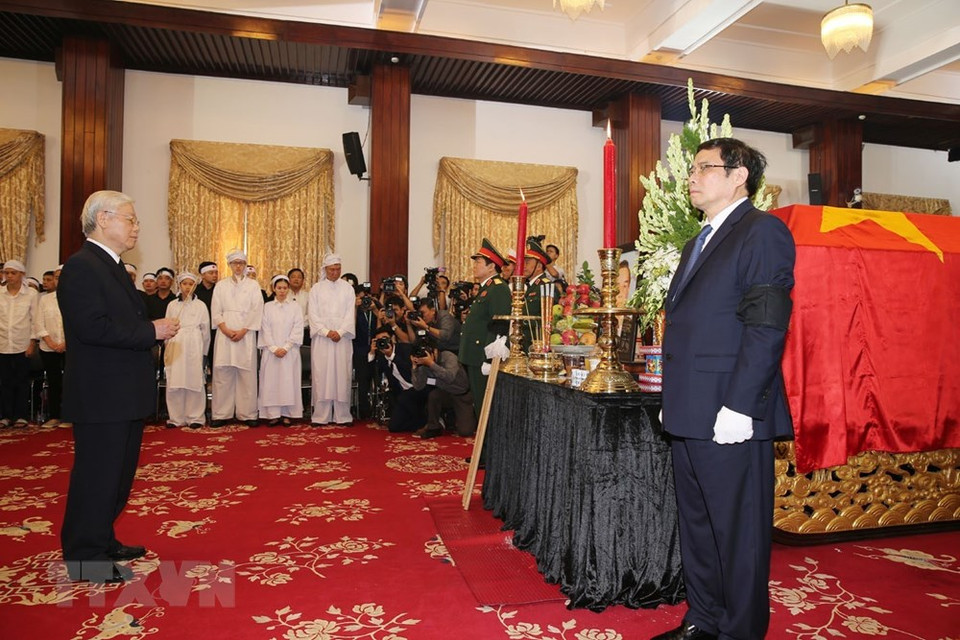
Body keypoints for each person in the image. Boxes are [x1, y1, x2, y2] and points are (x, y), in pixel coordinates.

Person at [654, 138, 795, 640]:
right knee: (698, 526)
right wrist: (674, 399)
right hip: (691, 409)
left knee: (739, 534)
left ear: (739, 177)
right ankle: (704, 619)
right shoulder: (700, 240)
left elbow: (766, 327)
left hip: (731, 413)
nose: (691, 177)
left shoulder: (762, 233)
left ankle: (740, 631)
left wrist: (740, 406)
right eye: (691, 169)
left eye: (704, 167)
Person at [58, 190, 180, 584]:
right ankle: (84, 556)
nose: (136, 226)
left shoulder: (110, 265)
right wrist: (151, 330)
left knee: (118, 473)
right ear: (103, 219)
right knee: (97, 474)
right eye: (130, 219)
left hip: (120, 392)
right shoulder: (82, 267)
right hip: (101, 393)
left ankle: (102, 537)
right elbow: (91, 327)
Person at [457, 238, 511, 418]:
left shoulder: (498, 288)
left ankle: (487, 444)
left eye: (479, 261)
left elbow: (500, 325)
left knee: (485, 404)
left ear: (491, 267)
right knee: (480, 403)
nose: (475, 265)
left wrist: (490, 358)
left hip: (483, 355)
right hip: (475, 355)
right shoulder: (486, 288)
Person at [210, 249, 264, 427]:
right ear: (230, 265)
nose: (238, 266)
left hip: (245, 334)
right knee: (223, 374)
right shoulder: (221, 285)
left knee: (246, 374)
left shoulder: (253, 285)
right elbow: (216, 310)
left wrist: (243, 331)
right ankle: (220, 414)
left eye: (241, 263)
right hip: (224, 334)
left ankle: (247, 414)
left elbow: (257, 310)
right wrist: (225, 329)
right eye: (235, 263)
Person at [308, 253, 356, 426]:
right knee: (322, 375)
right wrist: (327, 332)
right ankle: (321, 416)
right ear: (325, 269)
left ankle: (343, 416)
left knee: (341, 375)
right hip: (323, 339)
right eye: (332, 269)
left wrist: (341, 331)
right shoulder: (316, 289)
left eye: (338, 269)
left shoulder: (348, 289)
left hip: (342, 339)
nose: (335, 272)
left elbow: (350, 314)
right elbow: (313, 315)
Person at [163, 272, 209, 429]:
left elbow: (205, 331)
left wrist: (204, 353)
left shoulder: (201, 305)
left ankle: (196, 417)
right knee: (175, 380)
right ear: (179, 285)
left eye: (191, 284)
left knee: (193, 379)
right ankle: (176, 418)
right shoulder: (172, 305)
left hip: (194, 344)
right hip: (176, 343)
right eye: (184, 284)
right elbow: (167, 327)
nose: (187, 287)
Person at [258, 274, 304, 426]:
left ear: (288, 289)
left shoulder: (295, 307)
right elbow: (265, 329)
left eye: (285, 288)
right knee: (271, 383)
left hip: (289, 352)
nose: (282, 291)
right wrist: (272, 348)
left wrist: (286, 347)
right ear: (274, 289)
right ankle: (272, 414)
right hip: (271, 353)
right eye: (279, 288)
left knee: (288, 382)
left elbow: (297, 329)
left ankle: (288, 414)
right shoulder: (267, 307)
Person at [411, 336, 475, 439]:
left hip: (461, 394)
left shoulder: (448, 357)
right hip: (445, 393)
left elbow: (449, 377)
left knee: (465, 431)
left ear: (435, 351)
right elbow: (418, 386)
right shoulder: (423, 363)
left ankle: (464, 416)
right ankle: (434, 427)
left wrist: (431, 364)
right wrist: (414, 368)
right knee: (433, 396)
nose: (424, 356)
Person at [0, 259, 39, 428]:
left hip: (22, 344)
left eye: (13, 273)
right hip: (2, 344)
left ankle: (21, 415)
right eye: (6, 273)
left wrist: (32, 343)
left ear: (21, 274)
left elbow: (35, 320)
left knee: (21, 381)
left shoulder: (31, 295)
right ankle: (6, 416)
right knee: (5, 381)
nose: (9, 276)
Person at [36, 265, 69, 429]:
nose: (59, 279)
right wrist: (51, 343)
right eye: (56, 277)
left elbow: (79, 323)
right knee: (54, 382)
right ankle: (54, 415)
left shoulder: (78, 297)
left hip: (71, 347)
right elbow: (39, 323)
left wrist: (65, 343)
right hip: (49, 347)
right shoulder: (45, 299)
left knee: (71, 382)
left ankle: (69, 416)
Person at [521, 237, 557, 348]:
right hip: (525, 342)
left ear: (539, 266)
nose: (524, 266)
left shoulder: (546, 285)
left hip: (537, 344)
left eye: (528, 262)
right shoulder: (530, 286)